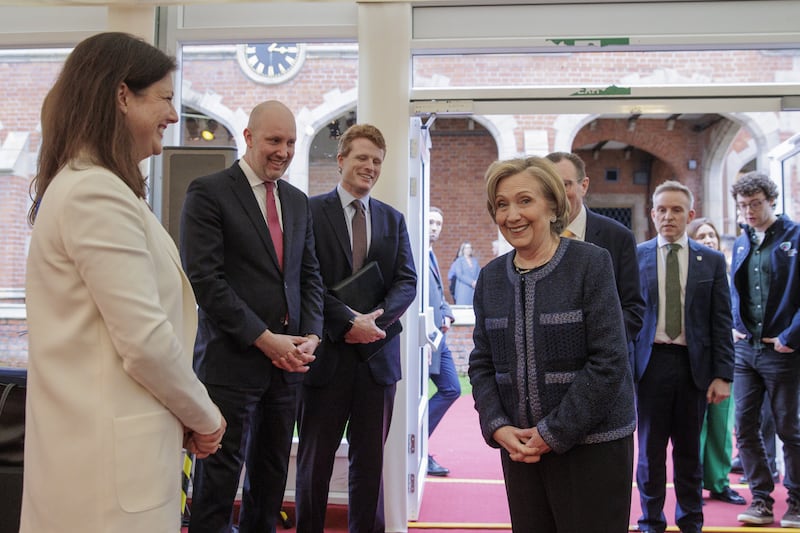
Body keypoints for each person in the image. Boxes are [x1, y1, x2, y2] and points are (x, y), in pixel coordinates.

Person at [21, 32, 225, 533]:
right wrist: (206, 416)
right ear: (121, 96)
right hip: (104, 481)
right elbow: (146, 341)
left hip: (107, 462)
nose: (175, 117)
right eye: (166, 98)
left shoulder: (98, 187)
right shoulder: (95, 193)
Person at [468, 156, 636, 532]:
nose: (512, 214)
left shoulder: (591, 263)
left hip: (594, 448)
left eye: (525, 200)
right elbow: (481, 363)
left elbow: (609, 360)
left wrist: (552, 433)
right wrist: (497, 426)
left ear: (552, 204)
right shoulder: (491, 278)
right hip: (521, 451)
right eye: (502, 204)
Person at [180, 100, 324, 533]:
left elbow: (310, 275)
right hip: (231, 365)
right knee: (217, 484)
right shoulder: (208, 192)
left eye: (291, 142)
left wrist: (311, 335)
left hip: (287, 369)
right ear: (248, 137)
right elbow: (207, 281)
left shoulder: (298, 202)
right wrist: (264, 338)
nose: (283, 150)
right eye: (274, 140)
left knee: (271, 478)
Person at [295, 124, 417, 533]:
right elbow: (304, 279)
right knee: (315, 461)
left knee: (371, 464)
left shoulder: (393, 219)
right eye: (362, 157)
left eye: (377, 161)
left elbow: (406, 281)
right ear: (342, 159)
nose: (370, 166)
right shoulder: (309, 213)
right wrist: (347, 322)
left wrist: (373, 322)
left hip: (376, 362)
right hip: (325, 358)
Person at [634, 180, 734, 533]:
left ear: (689, 215)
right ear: (652, 214)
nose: (668, 217)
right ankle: (650, 521)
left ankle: (691, 521)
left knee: (690, 453)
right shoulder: (636, 256)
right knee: (649, 453)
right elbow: (625, 317)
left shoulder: (711, 261)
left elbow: (721, 320)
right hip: (649, 367)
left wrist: (723, 374)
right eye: (661, 209)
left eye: (676, 210)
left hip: (694, 368)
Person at [729, 171, 800, 528]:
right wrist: (733, 324)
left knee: (789, 427)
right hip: (746, 351)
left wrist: (791, 336)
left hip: (782, 350)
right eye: (743, 206)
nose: (749, 211)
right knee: (744, 426)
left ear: (771, 200)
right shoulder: (742, 242)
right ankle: (760, 498)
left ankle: (797, 501)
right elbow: (734, 289)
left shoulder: (794, 236)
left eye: (755, 204)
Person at [545, 152, 645, 369]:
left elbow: (633, 309)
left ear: (584, 185)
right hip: (550, 366)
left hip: (605, 366)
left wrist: (602, 349)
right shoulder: (536, 238)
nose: (558, 194)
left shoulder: (618, 237)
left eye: (565, 184)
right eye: (550, 186)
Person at [686, 217, 746, 506]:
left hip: (723, 357)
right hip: (693, 360)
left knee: (722, 426)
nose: (708, 239)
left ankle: (719, 482)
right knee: (695, 427)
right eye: (702, 234)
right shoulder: (685, 271)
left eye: (712, 235)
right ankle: (693, 482)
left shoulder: (727, 268)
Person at [427, 207, 461, 476]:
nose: (435, 227)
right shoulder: (415, 252)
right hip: (424, 339)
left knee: (452, 387)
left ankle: (414, 446)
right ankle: (415, 451)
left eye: (438, 222)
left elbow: (437, 295)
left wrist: (447, 313)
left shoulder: (431, 254)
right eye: (430, 221)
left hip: (438, 337)